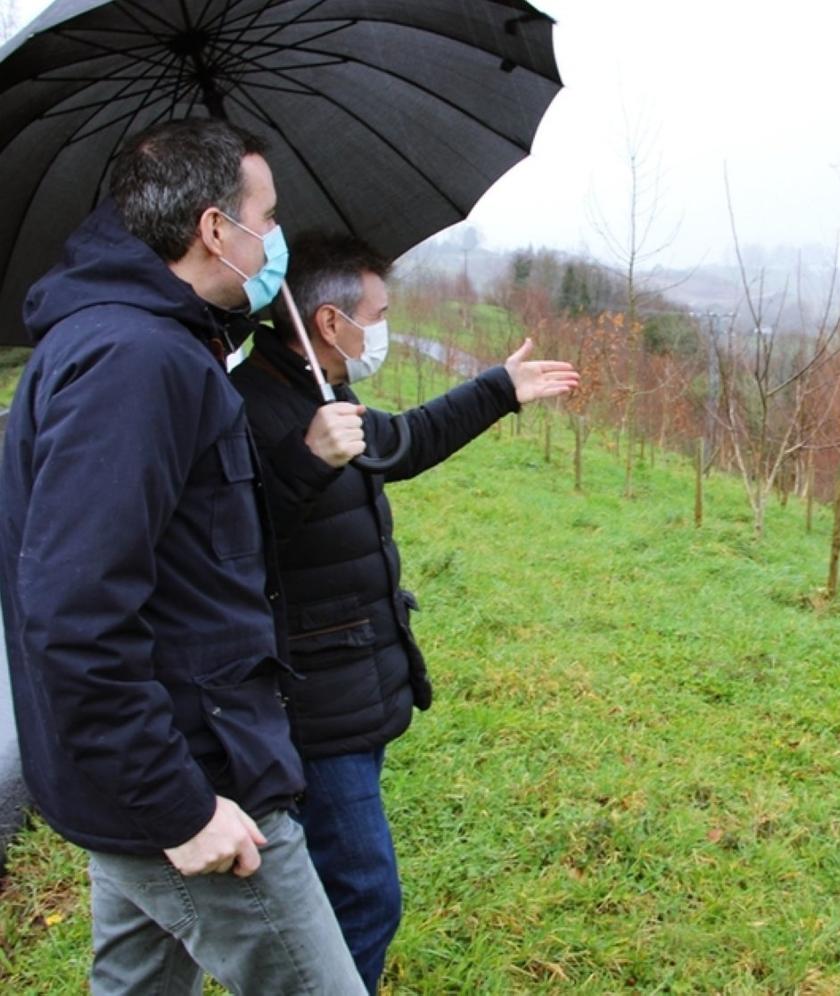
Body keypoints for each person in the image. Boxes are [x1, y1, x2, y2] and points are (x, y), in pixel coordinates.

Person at [0, 120, 365, 995]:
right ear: (214, 230)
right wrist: (179, 806)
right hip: (196, 781)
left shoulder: (148, 340)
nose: (275, 240)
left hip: (149, 767)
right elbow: (74, 614)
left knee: (135, 985)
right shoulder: (135, 360)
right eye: (266, 219)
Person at [230, 231, 578, 991]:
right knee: (365, 895)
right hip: (312, 701)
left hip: (350, 683)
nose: (384, 327)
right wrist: (302, 464)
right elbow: (226, 553)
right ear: (330, 322)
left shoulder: (321, 390)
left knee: (336, 883)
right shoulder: (253, 408)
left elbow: (401, 443)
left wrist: (497, 390)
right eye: (377, 313)